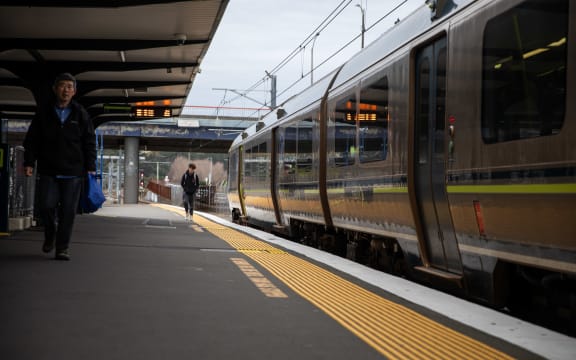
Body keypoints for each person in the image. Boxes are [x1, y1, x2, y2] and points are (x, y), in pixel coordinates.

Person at [23, 73, 96, 261]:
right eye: (62, 86)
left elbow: (89, 140)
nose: (66, 90)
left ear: (74, 91)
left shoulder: (80, 113)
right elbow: (32, 140)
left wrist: (90, 165)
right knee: (46, 206)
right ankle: (50, 233)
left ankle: (62, 248)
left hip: (73, 172)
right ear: (55, 89)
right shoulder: (44, 112)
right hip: (48, 169)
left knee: (68, 212)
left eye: (70, 87)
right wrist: (29, 162)